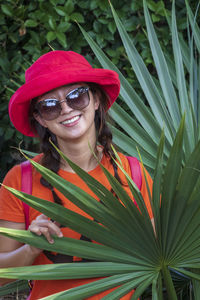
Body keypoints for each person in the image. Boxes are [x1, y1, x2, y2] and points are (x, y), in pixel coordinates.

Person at [0, 50, 153, 299]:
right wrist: (30, 248)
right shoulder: (20, 181)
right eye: (50, 106)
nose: (66, 110)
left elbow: (156, 256)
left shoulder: (133, 174)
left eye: (77, 96)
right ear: (40, 118)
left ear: (95, 100)